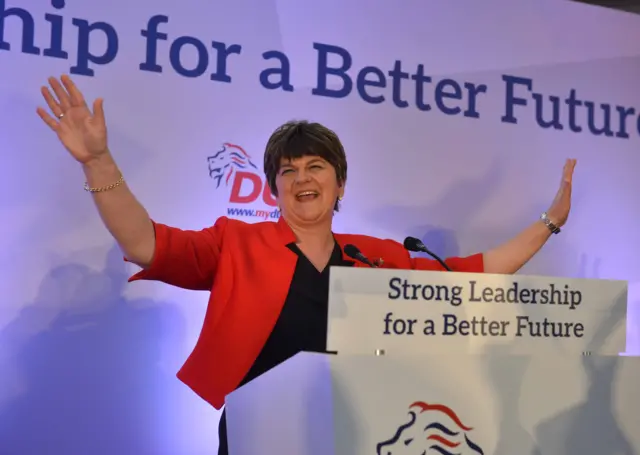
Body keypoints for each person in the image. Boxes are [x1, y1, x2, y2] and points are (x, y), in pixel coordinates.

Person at [37, 75, 576, 454]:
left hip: (358, 432)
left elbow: (467, 274)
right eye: (288, 171)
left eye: (316, 166)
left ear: (340, 183)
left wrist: (548, 223)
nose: (302, 179)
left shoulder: (375, 256)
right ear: (273, 188)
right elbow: (145, 242)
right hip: (259, 433)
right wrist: (97, 160)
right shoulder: (237, 243)